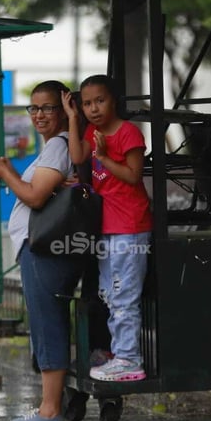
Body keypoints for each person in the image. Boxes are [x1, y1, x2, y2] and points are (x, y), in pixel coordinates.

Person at [0, 80, 84, 421]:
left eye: (48, 108)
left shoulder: (58, 146)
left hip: (44, 249)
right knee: (45, 321)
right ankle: (51, 404)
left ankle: (49, 410)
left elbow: (36, 196)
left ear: (65, 110)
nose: (39, 115)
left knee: (46, 322)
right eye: (34, 108)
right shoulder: (56, 148)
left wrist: (5, 172)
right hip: (41, 247)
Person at [62, 74, 152, 382]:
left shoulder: (128, 133)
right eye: (86, 104)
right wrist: (73, 119)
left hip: (129, 225)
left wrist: (102, 157)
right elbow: (77, 156)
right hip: (108, 226)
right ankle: (121, 352)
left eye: (99, 101)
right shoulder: (91, 130)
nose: (93, 108)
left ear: (114, 100)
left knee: (123, 295)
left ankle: (129, 360)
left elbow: (133, 176)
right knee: (111, 294)